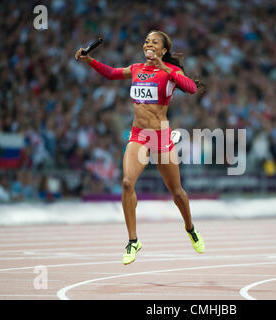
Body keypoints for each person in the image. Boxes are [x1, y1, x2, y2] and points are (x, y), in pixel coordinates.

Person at [75, 30, 205, 265]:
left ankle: (190, 228)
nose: (149, 44)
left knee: (177, 192)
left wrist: (165, 68)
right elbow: (113, 73)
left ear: (163, 50)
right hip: (139, 136)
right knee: (126, 183)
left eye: (154, 42)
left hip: (162, 138)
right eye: (146, 41)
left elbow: (192, 89)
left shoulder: (171, 72)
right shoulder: (136, 69)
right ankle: (133, 240)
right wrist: (89, 60)